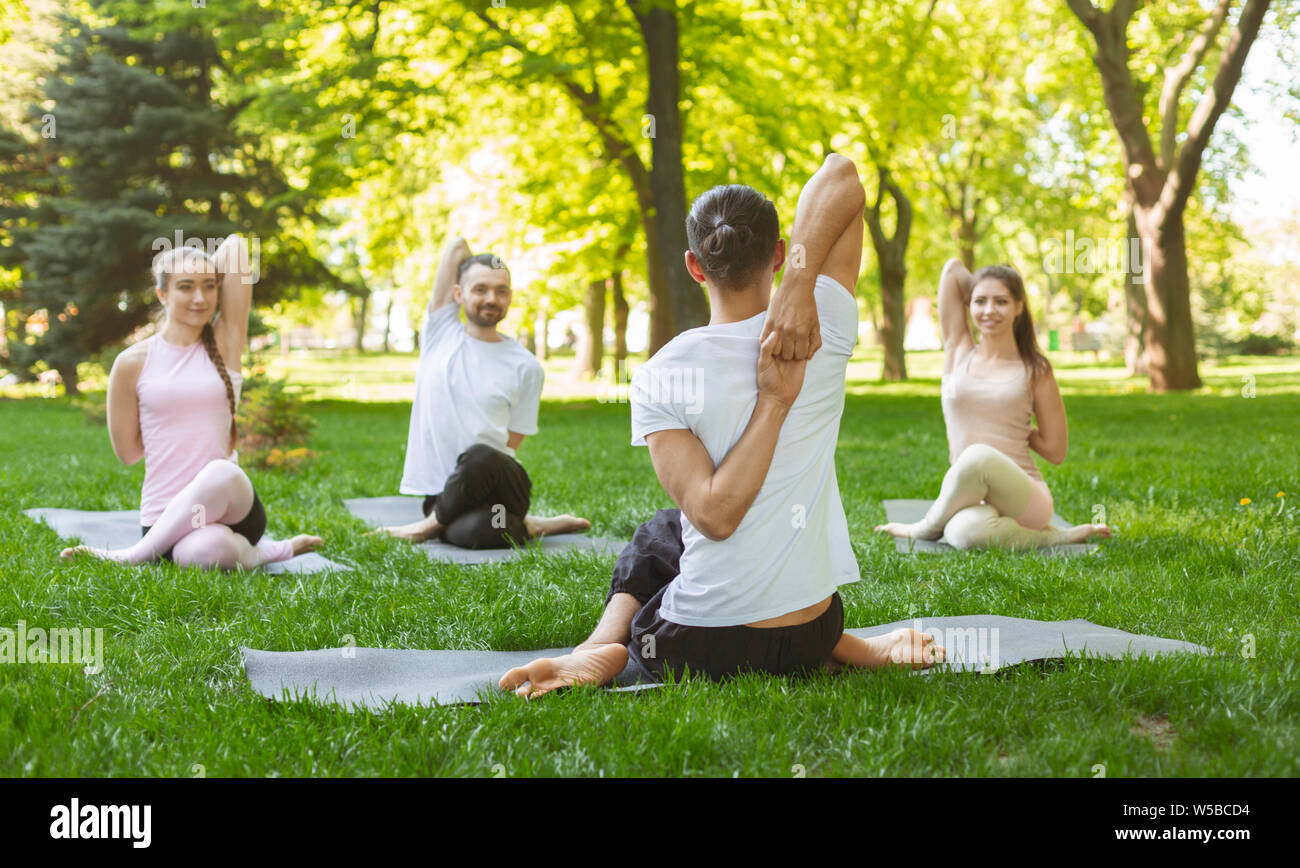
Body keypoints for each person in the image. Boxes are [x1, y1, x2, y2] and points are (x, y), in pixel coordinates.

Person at [499, 155, 945, 698]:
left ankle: (598, 649)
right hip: (812, 630)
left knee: (657, 539)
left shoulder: (660, 375)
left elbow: (715, 515)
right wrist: (800, 289)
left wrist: (774, 401)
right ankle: (844, 646)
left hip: (699, 647)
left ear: (693, 265)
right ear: (778, 255)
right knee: (669, 526)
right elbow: (841, 175)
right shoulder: (822, 322)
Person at [60, 236, 323, 568]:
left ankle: (130, 556)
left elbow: (237, 249)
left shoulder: (227, 341)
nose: (200, 298)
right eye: (185, 286)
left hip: (231, 507)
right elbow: (128, 453)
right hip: (165, 518)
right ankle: (263, 552)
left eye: (209, 286)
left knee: (218, 472)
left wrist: (196, 258)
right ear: (162, 294)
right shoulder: (131, 363)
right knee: (200, 553)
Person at [873, 259, 1111, 550]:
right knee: (965, 535)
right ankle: (1053, 536)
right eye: (980, 301)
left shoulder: (1036, 369)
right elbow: (951, 270)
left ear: (1019, 307)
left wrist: (1018, 426)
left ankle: (924, 528)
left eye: (1001, 301)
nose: (988, 310)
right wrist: (988, 278)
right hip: (972, 498)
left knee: (977, 457)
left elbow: (1056, 451)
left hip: (1025, 496)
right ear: (968, 305)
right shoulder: (958, 351)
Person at [378, 237, 590, 548]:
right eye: (480, 288)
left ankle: (425, 528)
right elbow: (455, 247)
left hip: (502, 488)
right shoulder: (440, 333)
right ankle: (530, 526)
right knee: (479, 533)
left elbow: (510, 444)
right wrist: (476, 260)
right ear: (458, 294)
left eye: (501, 290)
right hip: (449, 495)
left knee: (481, 454)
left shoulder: (526, 366)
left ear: (510, 297)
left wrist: (478, 469)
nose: (491, 298)